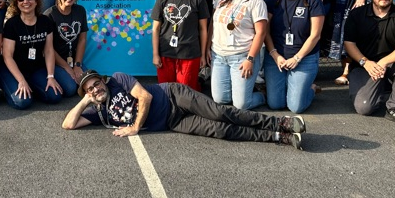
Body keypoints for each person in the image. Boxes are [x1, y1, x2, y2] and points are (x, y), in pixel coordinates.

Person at [62, 70, 306, 150]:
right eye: (89, 90)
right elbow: (69, 124)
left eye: (96, 84)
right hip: (173, 122)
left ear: (103, 81)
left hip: (174, 96)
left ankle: (279, 122)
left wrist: (135, 127)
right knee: (219, 131)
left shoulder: (118, 79)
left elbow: (144, 96)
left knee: (221, 113)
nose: (95, 90)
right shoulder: (97, 112)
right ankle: (279, 137)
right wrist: (84, 102)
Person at [264, 0, 324, 114]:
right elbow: (266, 32)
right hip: (277, 58)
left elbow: (315, 35)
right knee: (275, 104)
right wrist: (275, 55)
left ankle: (310, 89)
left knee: (295, 107)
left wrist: (297, 58)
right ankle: (294, 87)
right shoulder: (272, 1)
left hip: (304, 58)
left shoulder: (313, 0)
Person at [209, 0, 267, 110]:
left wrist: (250, 59)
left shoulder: (256, 1)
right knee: (220, 99)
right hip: (219, 55)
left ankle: (263, 95)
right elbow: (212, 24)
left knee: (241, 105)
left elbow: (261, 33)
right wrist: (206, 50)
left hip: (242, 57)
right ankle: (242, 91)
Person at [0, 0, 63, 109]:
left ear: (36, 1)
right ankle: (11, 86)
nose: (25, 1)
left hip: (35, 68)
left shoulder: (45, 21)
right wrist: (21, 80)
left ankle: (32, 85)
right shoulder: (12, 24)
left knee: (54, 96)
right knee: (23, 102)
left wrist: (50, 77)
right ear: (16, 4)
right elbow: (7, 56)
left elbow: (49, 51)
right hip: (13, 69)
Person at [152, 0, 209, 90]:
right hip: (166, 53)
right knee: (166, 89)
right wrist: (156, 54)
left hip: (189, 53)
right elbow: (155, 29)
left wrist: (203, 55)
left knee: (185, 90)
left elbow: (203, 29)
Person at [43, 0, 88, 96]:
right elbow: (48, 48)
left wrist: (77, 65)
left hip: (74, 59)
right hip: (56, 61)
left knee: (88, 82)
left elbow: (82, 39)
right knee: (71, 88)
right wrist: (67, 67)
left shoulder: (80, 10)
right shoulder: (49, 15)